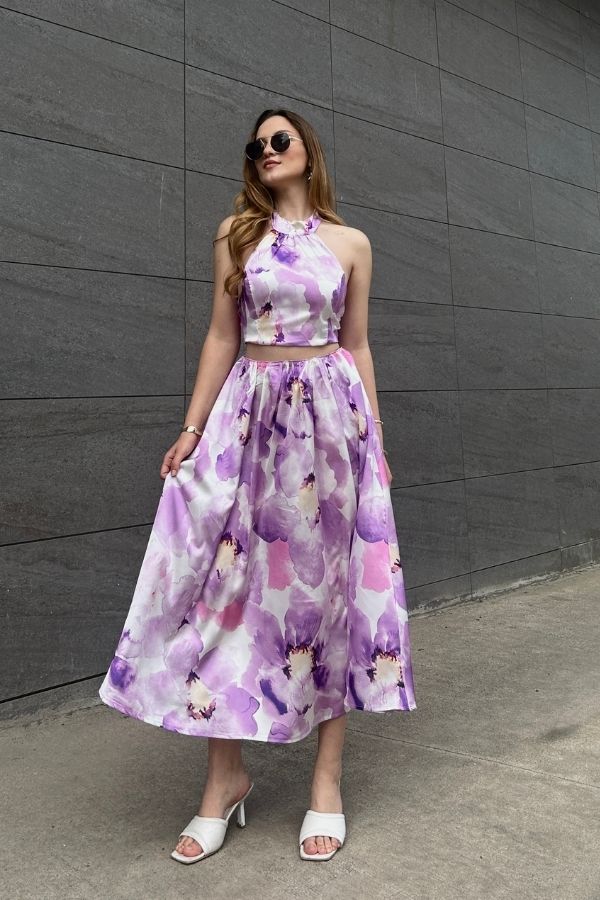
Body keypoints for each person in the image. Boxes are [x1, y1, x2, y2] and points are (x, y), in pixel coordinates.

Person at [98, 108, 417, 864]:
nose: (267, 151)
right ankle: (224, 780)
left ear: (309, 151)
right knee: (226, 593)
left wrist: (375, 440)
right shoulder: (237, 234)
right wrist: (191, 427)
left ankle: (326, 783)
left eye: (280, 140)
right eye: (257, 146)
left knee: (330, 594)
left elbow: (357, 344)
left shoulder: (351, 243)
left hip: (330, 426)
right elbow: (221, 334)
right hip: (249, 421)